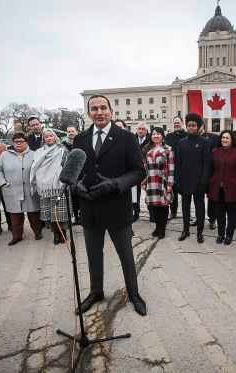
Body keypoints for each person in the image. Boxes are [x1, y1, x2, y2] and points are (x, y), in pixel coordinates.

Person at [72, 95, 147, 316]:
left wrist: (115, 184)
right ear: (89, 113)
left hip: (117, 207)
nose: (99, 112)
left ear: (111, 111)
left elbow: (138, 171)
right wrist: (77, 187)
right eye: (94, 108)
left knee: (126, 255)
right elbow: (72, 171)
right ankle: (96, 292)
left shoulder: (126, 138)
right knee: (93, 255)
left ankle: (133, 294)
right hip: (90, 208)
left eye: (103, 107)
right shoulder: (80, 139)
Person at [0, 132, 42, 245]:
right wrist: (2, 183)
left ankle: (37, 232)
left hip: (30, 189)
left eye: (21, 141)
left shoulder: (34, 154)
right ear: (13, 143)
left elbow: (40, 169)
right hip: (11, 189)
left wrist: (37, 183)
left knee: (34, 214)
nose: (18, 144)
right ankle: (17, 236)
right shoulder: (5, 155)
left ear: (26, 142)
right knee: (15, 215)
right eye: (16, 141)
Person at [176, 112, 211, 243]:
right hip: (184, 181)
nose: (191, 128)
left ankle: (200, 232)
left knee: (199, 208)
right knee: (185, 207)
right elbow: (178, 163)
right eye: (189, 125)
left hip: (199, 182)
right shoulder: (181, 142)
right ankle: (185, 229)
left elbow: (207, 164)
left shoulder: (205, 142)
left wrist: (204, 181)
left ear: (198, 126)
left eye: (193, 125)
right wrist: (177, 180)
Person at [30, 129, 69, 245]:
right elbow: (35, 167)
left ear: (55, 137)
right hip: (45, 186)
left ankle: (63, 233)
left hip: (59, 185)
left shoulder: (62, 150)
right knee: (51, 214)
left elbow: (66, 166)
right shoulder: (38, 152)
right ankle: (56, 235)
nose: (49, 138)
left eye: (51, 136)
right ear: (44, 139)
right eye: (46, 137)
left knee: (61, 213)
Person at [208, 130, 236, 245]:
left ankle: (229, 235)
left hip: (233, 189)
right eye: (223, 138)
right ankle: (220, 234)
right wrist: (211, 184)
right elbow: (211, 170)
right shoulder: (215, 151)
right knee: (220, 214)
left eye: (227, 138)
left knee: (232, 214)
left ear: (232, 140)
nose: (224, 140)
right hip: (217, 189)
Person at [142, 127, 174, 239]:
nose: (156, 136)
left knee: (163, 206)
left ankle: (162, 229)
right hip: (151, 181)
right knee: (153, 207)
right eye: (154, 134)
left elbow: (171, 168)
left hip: (162, 181)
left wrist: (170, 184)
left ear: (162, 136)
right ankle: (157, 227)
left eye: (158, 134)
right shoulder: (147, 149)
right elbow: (145, 168)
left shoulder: (168, 149)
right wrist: (144, 181)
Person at [164, 116, 187, 219]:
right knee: (172, 191)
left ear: (182, 123)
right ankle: (173, 212)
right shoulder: (168, 136)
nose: (176, 124)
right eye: (175, 123)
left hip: (184, 168)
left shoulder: (187, 135)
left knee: (185, 193)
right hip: (172, 168)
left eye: (178, 122)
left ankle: (186, 214)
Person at [200, 123, 221, 230]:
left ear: (202, 126)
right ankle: (199, 218)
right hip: (197, 174)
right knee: (198, 199)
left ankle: (212, 219)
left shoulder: (213, 137)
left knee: (212, 198)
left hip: (211, 173)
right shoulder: (188, 138)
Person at [63, 125, 81, 224]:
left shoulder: (82, 142)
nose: (70, 133)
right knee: (72, 196)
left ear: (76, 132)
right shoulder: (64, 144)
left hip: (81, 172)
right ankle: (75, 216)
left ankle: (81, 215)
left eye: (72, 131)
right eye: (68, 131)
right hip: (71, 173)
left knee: (81, 194)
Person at [133, 121, 151, 222]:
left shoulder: (150, 140)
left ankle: (151, 213)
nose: (140, 131)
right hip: (136, 170)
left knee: (149, 192)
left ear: (146, 130)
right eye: (139, 129)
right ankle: (136, 212)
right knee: (136, 193)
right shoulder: (132, 139)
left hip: (147, 171)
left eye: (143, 129)